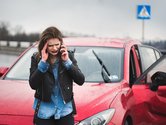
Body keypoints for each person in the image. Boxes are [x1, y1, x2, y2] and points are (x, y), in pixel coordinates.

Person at [29, 26, 85, 125]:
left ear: (61, 44)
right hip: (44, 112)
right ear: (44, 45)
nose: (54, 48)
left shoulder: (69, 56)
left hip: (65, 112)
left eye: (57, 44)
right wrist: (43, 62)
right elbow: (33, 84)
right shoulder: (36, 58)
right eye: (50, 45)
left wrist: (67, 62)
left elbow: (80, 80)